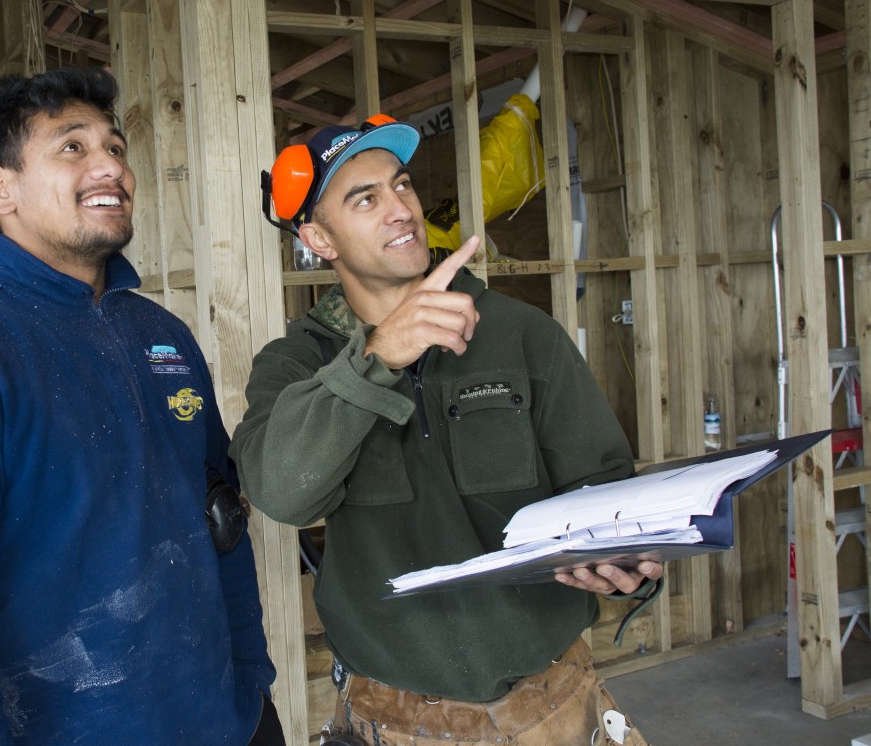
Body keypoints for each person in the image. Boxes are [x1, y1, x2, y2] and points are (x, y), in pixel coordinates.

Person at [0, 67, 282, 746]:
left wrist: (252, 684)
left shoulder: (162, 337)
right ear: (2, 188)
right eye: (72, 147)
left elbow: (221, 519)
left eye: (115, 147)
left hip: (228, 720)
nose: (110, 164)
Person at [232, 115, 662, 745]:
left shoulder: (520, 332)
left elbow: (603, 487)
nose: (401, 209)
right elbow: (282, 492)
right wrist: (376, 357)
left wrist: (632, 558)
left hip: (554, 703)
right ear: (320, 239)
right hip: (396, 717)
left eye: (401, 185)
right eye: (366, 199)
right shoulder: (297, 365)